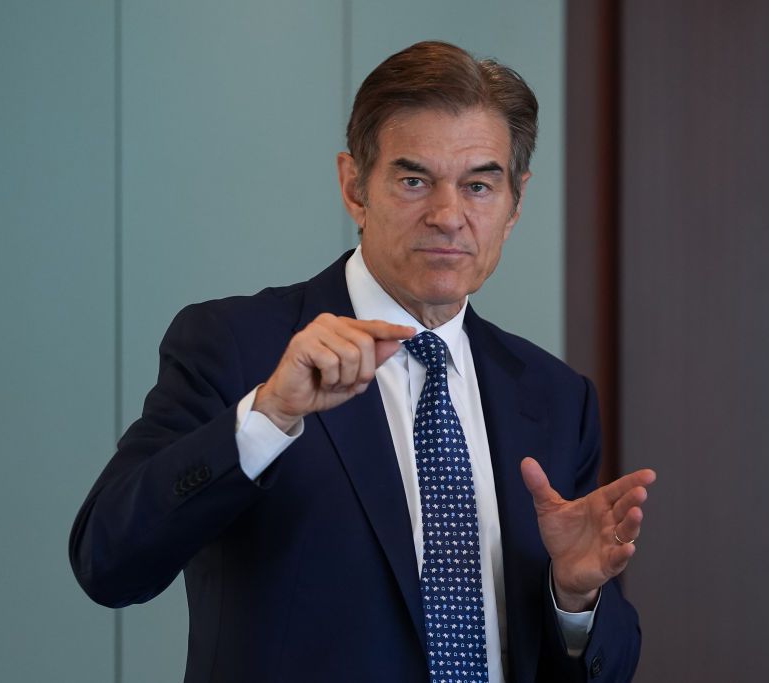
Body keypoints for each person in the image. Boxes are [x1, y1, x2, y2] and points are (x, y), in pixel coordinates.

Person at [70, 40, 655, 683]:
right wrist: (267, 418)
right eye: (414, 180)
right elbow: (108, 564)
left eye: (480, 185)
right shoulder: (237, 346)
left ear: (515, 203)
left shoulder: (555, 396)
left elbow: (607, 667)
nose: (448, 216)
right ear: (355, 187)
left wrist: (575, 599)